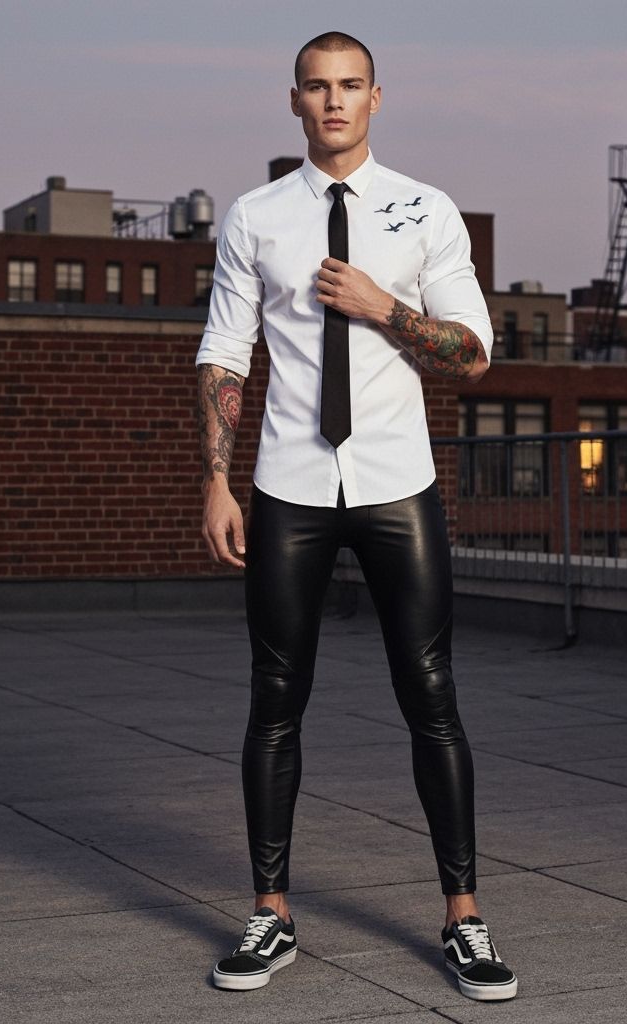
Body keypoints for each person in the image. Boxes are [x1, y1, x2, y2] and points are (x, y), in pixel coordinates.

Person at [195, 30, 517, 1002]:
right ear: (293, 101)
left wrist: (383, 306)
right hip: (289, 486)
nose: (332, 103)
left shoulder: (425, 210)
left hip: (395, 484)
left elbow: (471, 355)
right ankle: (270, 912)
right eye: (315, 88)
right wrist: (216, 480)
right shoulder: (255, 218)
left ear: (376, 97)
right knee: (274, 697)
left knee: (431, 695)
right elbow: (226, 354)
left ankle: (464, 918)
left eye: (349, 87)